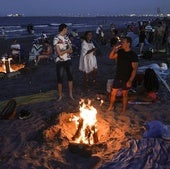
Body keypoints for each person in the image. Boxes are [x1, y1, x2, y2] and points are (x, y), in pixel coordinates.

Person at [107, 36, 138, 113]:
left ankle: (123, 110)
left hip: (126, 77)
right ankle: (111, 106)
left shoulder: (133, 55)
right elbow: (111, 57)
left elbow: (134, 69)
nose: (122, 43)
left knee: (125, 94)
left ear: (128, 43)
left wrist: (130, 80)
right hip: (118, 76)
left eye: (123, 42)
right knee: (113, 92)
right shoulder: (120, 51)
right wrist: (114, 50)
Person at [53, 23, 74, 101]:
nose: (67, 30)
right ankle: (60, 95)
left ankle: (71, 94)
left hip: (68, 60)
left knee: (70, 78)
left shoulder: (67, 38)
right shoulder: (56, 38)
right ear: (64, 29)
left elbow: (71, 50)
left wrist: (68, 50)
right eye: (66, 29)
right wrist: (67, 50)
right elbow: (59, 53)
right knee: (60, 79)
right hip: (60, 61)